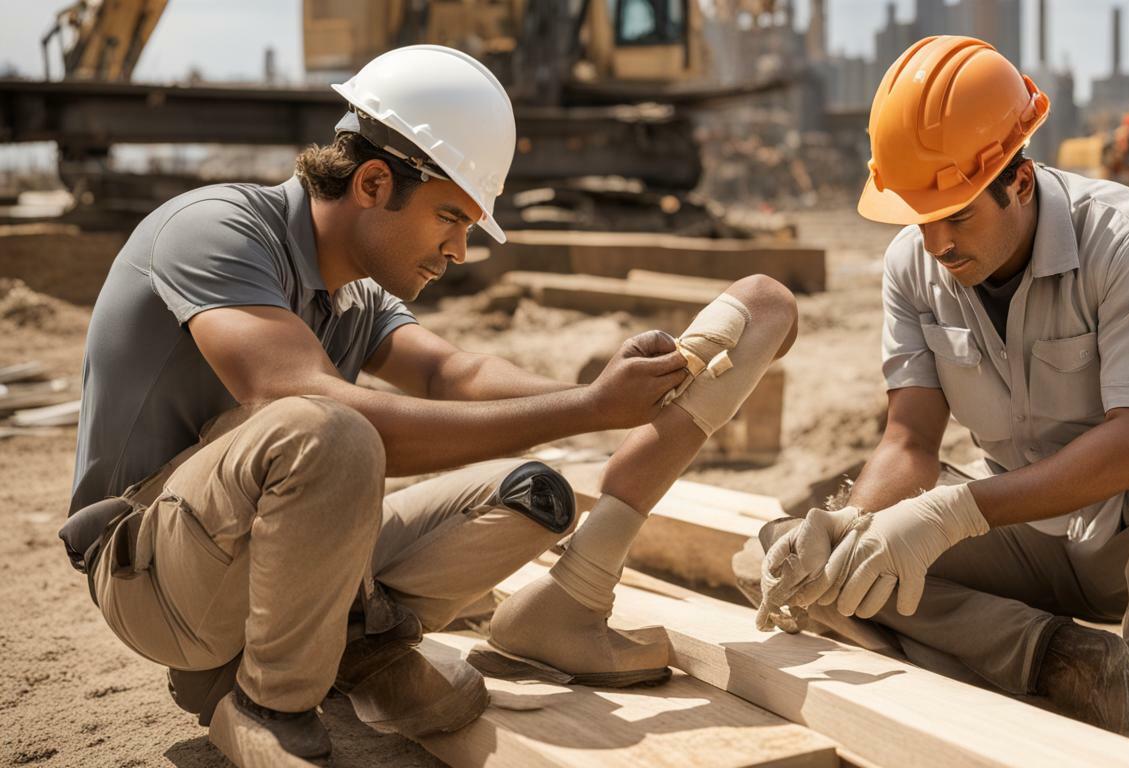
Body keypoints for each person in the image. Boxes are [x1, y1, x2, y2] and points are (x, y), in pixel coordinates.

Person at [60, 44, 797, 766]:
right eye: (451, 218)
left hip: (258, 556)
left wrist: (613, 394)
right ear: (375, 184)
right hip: (152, 573)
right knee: (327, 428)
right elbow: (293, 396)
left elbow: (455, 374)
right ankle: (267, 702)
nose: (460, 251)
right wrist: (586, 410)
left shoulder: (353, 292)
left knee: (532, 493)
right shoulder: (216, 229)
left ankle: (355, 645)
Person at [749, 36, 1129, 754]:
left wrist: (949, 513)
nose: (936, 243)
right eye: (920, 218)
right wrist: (849, 526)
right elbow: (910, 442)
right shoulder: (911, 265)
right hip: (1018, 546)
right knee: (799, 544)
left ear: (1019, 181)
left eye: (957, 215)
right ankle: (1058, 661)